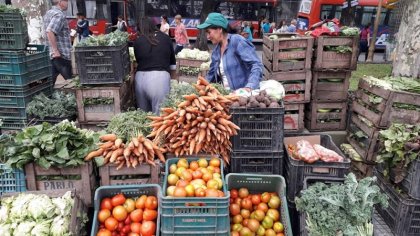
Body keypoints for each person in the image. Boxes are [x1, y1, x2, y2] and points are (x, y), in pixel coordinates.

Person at [197, 13, 263, 91]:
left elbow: (256, 65)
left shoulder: (237, 41)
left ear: (219, 29)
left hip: (244, 98)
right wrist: (200, 86)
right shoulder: (216, 52)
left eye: (209, 32)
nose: (207, 37)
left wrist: (249, 87)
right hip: (228, 96)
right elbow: (211, 75)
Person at [133, 17, 176, 114]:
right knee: (159, 119)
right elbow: (172, 66)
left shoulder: (138, 42)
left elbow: (138, 61)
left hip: (140, 79)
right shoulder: (166, 38)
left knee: (143, 117)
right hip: (159, 79)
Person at [43, 0, 72, 85]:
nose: (67, 3)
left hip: (52, 55)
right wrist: (55, 50)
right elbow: (50, 31)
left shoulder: (49, 13)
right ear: (60, 1)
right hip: (61, 55)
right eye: (66, 1)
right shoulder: (59, 15)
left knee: (49, 84)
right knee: (72, 82)